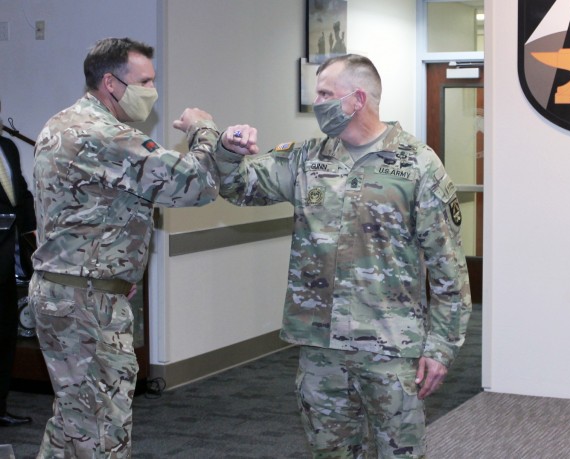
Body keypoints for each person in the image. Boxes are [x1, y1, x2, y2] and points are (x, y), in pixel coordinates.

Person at [216, 54, 472, 458]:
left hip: (390, 350)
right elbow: (240, 186)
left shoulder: (418, 165)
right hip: (320, 349)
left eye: (324, 93)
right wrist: (228, 150)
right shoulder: (305, 159)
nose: (316, 103)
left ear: (356, 99)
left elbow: (448, 269)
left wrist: (440, 348)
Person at [29, 37, 252, 458]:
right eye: (144, 81)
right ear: (111, 83)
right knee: (101, 428)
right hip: (87, 304)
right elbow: (194, 185)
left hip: (63, 292)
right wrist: (205, 130)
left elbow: (93, 211)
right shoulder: (107, 135)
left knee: (73, 419)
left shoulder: (61, 123)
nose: (152, 90)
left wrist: (116, 270)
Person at [0, 99, 36, 428]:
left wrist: (32, 231)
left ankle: (0, 407)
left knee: (6, 333)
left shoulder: (7, 147)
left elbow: (21, 193)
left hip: (10, 259)